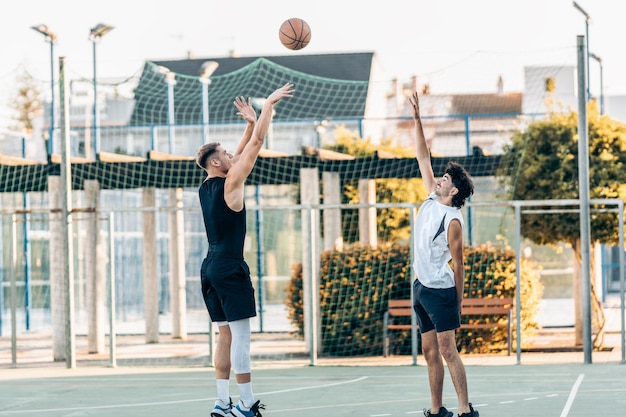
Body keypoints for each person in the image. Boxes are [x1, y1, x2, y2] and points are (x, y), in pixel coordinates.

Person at [196, 83, 295, 417]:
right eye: (224, 154)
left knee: (224, 336)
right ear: (216, 162)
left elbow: (240, 151)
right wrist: (267, 106)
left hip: (209, 267)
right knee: (241, 337)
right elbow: (256, 145)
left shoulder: (206, 186)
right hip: (229, 267)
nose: (230, 155)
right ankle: (247, 402)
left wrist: (249, 123)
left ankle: (221, 402)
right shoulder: (231, 183)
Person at [408, 91, 479, 417]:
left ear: (454, 191)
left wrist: (459, 300)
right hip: (421, 286)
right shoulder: (430, 199)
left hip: (441, 290)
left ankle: (466, 410)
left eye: (445, 179)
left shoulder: (453, 221)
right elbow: (423, 157)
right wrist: (418, 120)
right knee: (428, 349)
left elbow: (459, 263)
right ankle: (437, 410)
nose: (439, 179)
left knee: (448, 349)